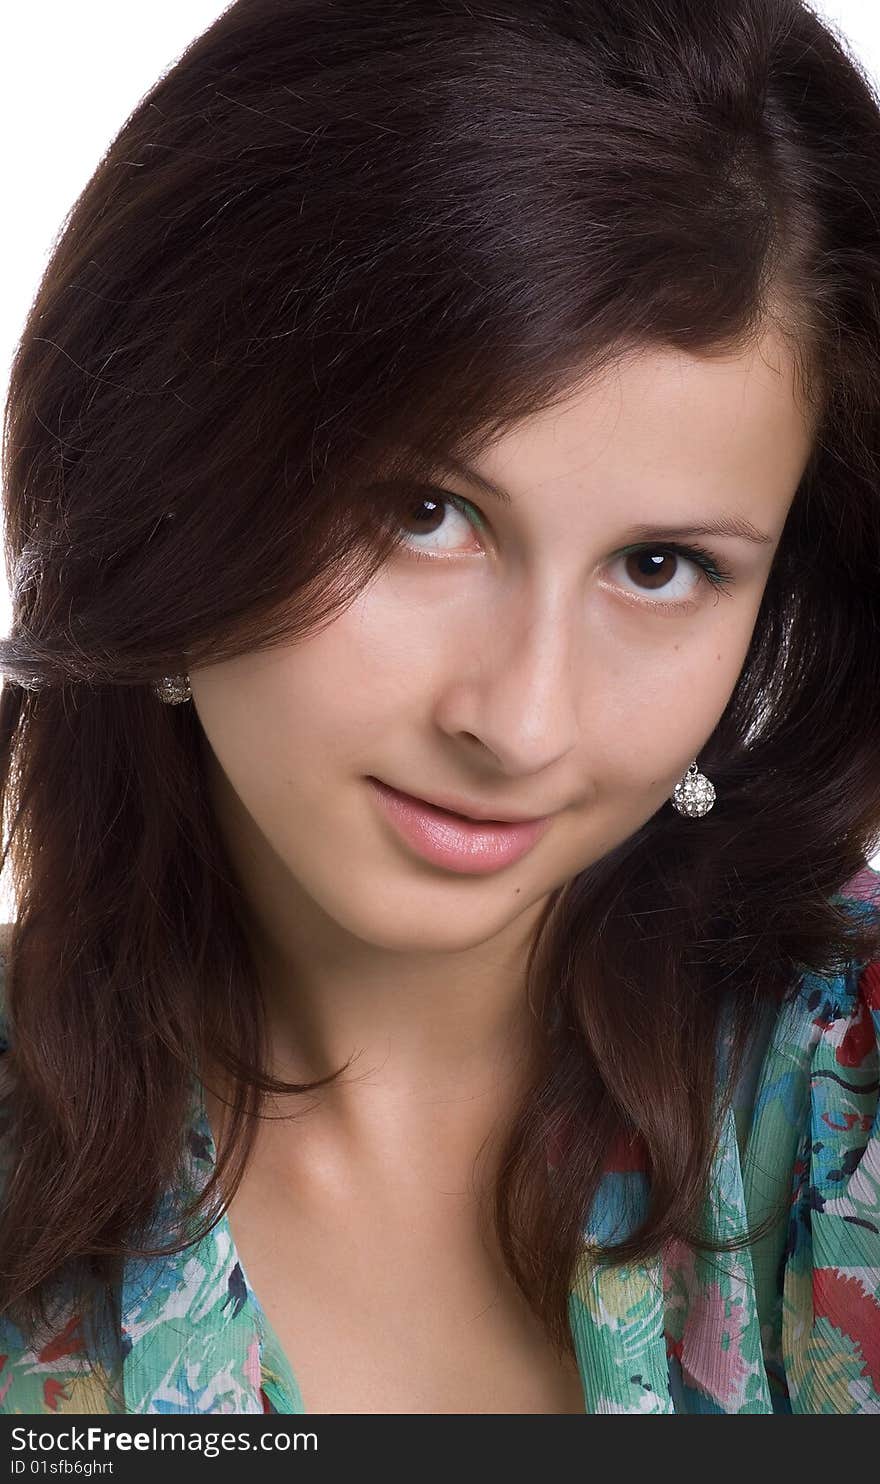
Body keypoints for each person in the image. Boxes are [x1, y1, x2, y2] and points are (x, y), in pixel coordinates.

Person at [1, 0, 879, 1416]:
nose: (523, 721)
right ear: (168, 457)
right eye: (425, 514)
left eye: (663, 568)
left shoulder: (850, 1097)